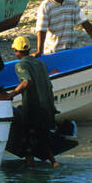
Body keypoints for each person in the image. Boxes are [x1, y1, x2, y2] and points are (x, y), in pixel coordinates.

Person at [5, 35, 59, 167]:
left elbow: (26, 82)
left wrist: (11, 94)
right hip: (46, 107)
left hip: (33, 108)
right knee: (42, 136)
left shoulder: (21, 64)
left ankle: (34, 167)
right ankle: (52, 162)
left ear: (17, 51)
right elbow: (49, 86)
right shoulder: (41, 63)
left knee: (29, 138)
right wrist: (52, 107)